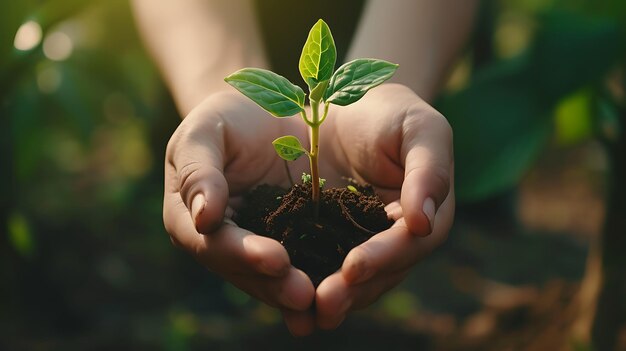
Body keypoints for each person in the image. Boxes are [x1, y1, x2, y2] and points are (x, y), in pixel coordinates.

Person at [132, 0, 476, 336]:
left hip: (410, 40)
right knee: (207, 304)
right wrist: (217, 96)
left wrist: (384, 91)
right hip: (205, 66)